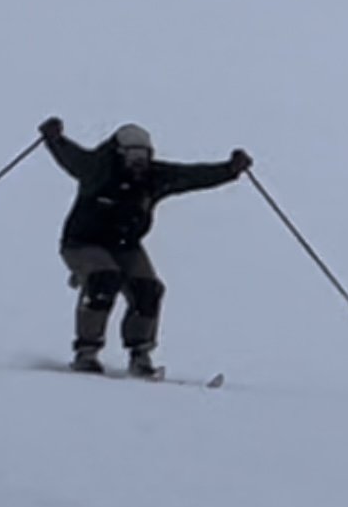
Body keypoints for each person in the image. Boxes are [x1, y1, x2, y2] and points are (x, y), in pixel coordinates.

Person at [39, 117, 252, 376]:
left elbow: (192, 176)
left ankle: (140, 354)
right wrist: (54, 139)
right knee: (104, 279)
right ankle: (87, 352)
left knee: (148, 289)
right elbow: (68, 154)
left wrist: (229, 170)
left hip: (126, 246)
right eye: (132, 155)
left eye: (144, 155)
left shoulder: (154, 177)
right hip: (83, 243)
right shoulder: (96, 168)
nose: (139, 162)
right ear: (119, 152)